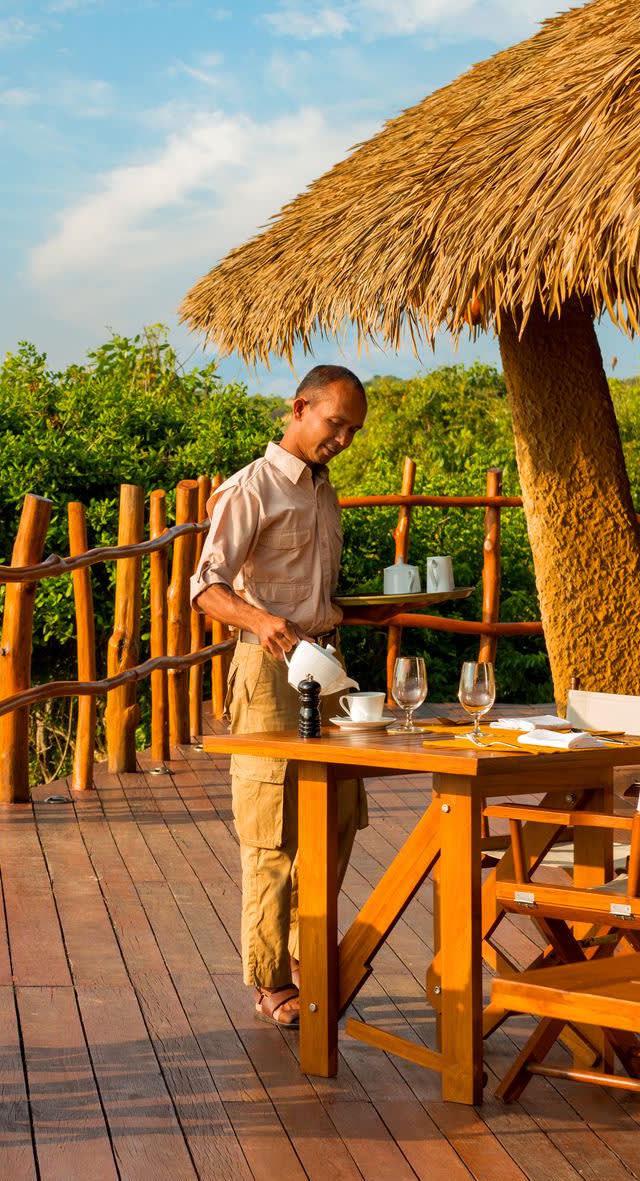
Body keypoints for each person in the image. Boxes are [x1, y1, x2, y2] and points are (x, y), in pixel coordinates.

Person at [191, 364, 394, 1029]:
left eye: (353, 431)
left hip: (326, 665)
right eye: (337, 424)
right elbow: (206, 587)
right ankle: (269, 978)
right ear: (300, 408)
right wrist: (262, 621)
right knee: (272, 827)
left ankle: (309, 957)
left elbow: (316, 591)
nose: (344, 439)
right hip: (268, 669)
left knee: (337, 817)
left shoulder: (324, 492)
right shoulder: (251, 488)